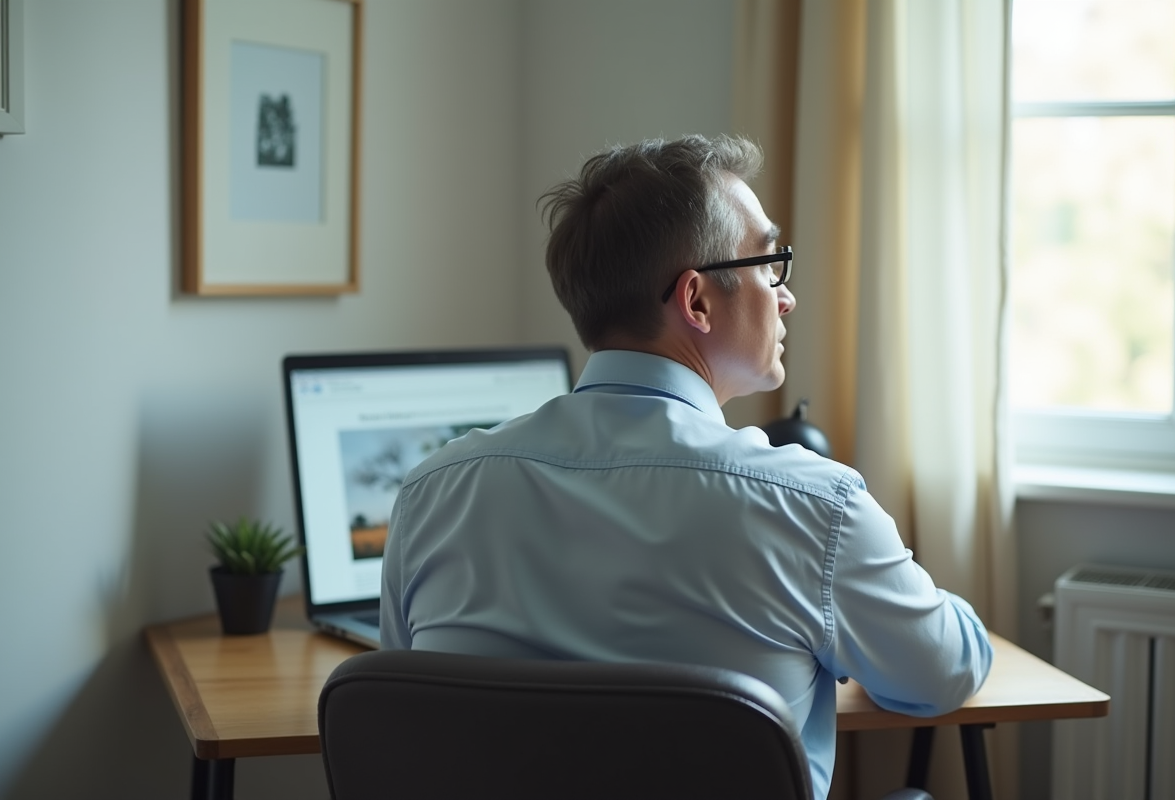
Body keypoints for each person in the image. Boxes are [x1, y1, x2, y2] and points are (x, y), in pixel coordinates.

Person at [380, 134, 992, 799]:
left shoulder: (430, 494)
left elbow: (404, 711)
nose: (786, 297)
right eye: (771, 263)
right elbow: (940, 674)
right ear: (696, 301)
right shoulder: (813, 507)